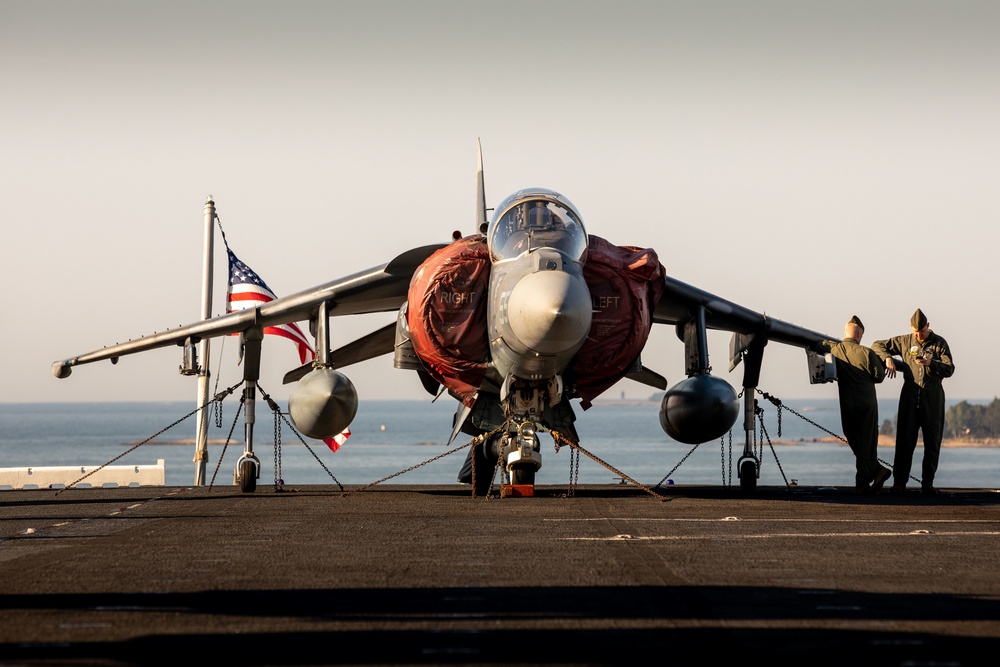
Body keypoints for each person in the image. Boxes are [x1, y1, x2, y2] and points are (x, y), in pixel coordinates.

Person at [871, 308, 955, 495]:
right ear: (911, 328)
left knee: (932, 441)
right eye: (916, 332)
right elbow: (877, 344)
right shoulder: (904, 341)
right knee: (904, 440)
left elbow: (949, 369)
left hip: (932, 395)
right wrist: (887, 359)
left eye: (922, 331)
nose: (919, 335)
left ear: (928, 326)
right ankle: (899, 483)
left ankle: (927, 484)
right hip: (909, 393)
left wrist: (931, 363)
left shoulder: (939, 343)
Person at [815, 316, 889, 495]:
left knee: (854, 438)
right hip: (867, 403)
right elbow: (879, 377)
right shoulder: (867, 352)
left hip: (848, 403)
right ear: (859, 334)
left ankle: (863, 483)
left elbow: (817, 345)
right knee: (868, 443)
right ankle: (873, 474)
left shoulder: (835, 349)